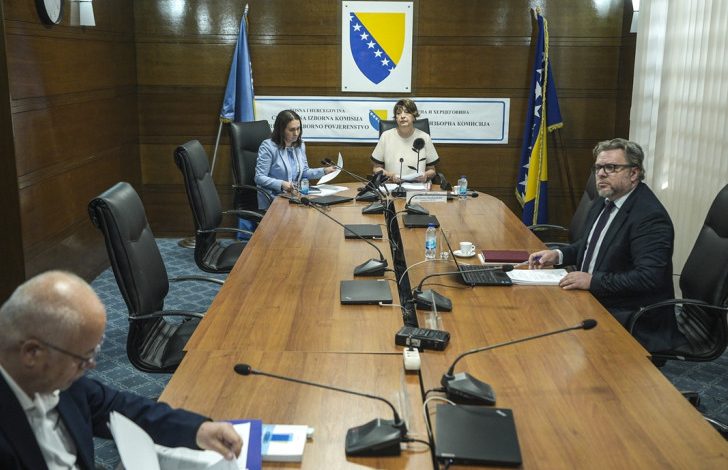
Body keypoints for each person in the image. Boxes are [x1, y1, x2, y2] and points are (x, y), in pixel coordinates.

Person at [0, 271, 242, 469]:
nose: (91, 366)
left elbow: (117, 407)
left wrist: (198, 430)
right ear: (32, 353)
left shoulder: (57, 381)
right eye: (83, 358)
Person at [528, 138, 682, 352]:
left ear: (634, 173)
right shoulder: (606, 200)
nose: (601, 174)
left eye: (611, 167)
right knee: (533, 311)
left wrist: (593, 281)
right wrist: (558, 255)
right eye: (598, 167)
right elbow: (591, 245)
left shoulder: (649, 218)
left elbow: (648, 277)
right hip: (594, 297)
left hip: (631, 315)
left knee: (546, 337)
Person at [255, 109, 336, 210]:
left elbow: (305, 172)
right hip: (274, 199)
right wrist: (282, 184)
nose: (296, 133)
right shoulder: (268, 146)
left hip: (294, 197)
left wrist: (324, 171)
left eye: (298, 128)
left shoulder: (300, 145)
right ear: (281, 130)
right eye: (292, 130)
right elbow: (259, 177)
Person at [371, 99, 440, 183]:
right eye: (398, 113)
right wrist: (390, 176)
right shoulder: (386, 136)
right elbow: (376, 168)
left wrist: (426, 175)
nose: (402, 116)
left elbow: (432, 170)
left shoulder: (425, 137)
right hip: (393, 186)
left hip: (417, 187)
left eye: (407, 112)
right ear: (396, 118)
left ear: (414, 116)